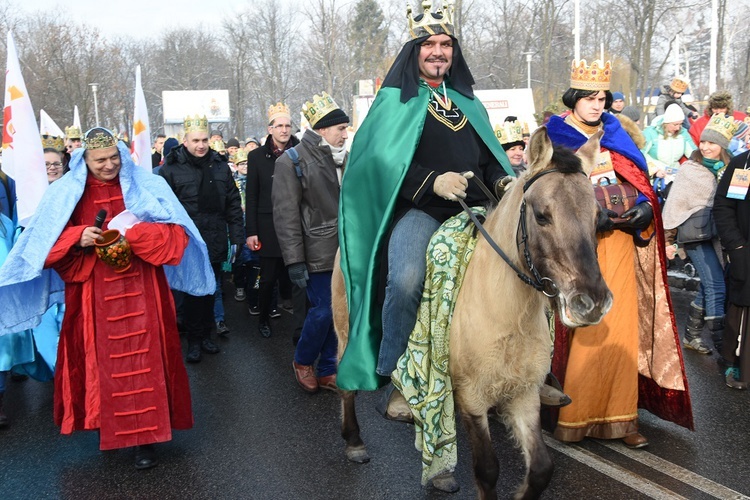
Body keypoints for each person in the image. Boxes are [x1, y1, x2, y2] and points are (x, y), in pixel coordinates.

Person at [336, 3, 515, 420]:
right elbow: (377, 162)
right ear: (415, 49)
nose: (438, 52)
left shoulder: (468, 101)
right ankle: (402, 377)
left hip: (476, 210)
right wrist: (431, 181)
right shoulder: (393, 100)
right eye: (429, 44)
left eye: (446, 44)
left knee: (528, 264)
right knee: (406, 278)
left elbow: (488, 156)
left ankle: (530, 372)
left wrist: (504, 181)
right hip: (422, 212)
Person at [0, 127, 214, 468]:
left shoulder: (148, 186)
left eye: (114, 157)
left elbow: (176, 238)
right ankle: (111, 428)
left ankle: (146, 440)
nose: (109, 165)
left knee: (145, 364)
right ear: (83, 161)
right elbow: (41, 245)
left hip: (144, 290)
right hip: (93, 294)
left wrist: (136, 233)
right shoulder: (64, 195)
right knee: (102, 365)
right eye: (100, 160)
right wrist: (77, 236)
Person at [546, 59, 693, 448]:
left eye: (602, 98)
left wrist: (646, 206)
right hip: (577, 248)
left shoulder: (617, 134)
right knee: (585, 326)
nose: (597, 105)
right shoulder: (553, 136)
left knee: (623, 327)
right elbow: (544, 196)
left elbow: (639, 180)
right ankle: (574, 415)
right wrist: (585, 218)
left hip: (622, 242)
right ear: (573, 99)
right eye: (589, 98)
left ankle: (622, 418)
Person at [272, 93, 348, 393]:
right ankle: (303, 361)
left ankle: (328, 368)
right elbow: (286, 216)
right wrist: (294, 261)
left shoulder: (345, 156)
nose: (345, 134)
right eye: (340, 128)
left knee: (340, 310)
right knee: (325, 310)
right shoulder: (291, 161)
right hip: (316, 252)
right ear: (322, 130)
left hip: (347, 250)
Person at [160, 116, 244, 362]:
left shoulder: (219, 166)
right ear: (185, 141)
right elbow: (164, 208)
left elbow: (232, 203)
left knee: (210, 290)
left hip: (216, 236)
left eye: (204, 140)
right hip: (187, 241)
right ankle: (193, 341)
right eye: (195, 140)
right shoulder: (171, 168)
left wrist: (236, 237)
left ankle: (206, 336)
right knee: (190, 293)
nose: (201, 145)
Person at [663, 114, 733, 356]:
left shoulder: (730, 169)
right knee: (716, 285)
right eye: (703, 142)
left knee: (710, 284)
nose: (705, 147)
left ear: (722, 146)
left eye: (711, 143)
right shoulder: (690, 169)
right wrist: (668, 240)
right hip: (695, 236)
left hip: (719, 236)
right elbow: (674, 205)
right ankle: (722, 343)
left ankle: (692, 336)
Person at [246, 103, 299, 338]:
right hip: (268, 226)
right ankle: (264, 318)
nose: (284, 130)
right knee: (267, 279)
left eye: (288, 125)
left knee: (298, 278)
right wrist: (251, 231)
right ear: (270, 129)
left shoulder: (301, 150)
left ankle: (300, 322)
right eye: (280, 125)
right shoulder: (256, 156)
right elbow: (252, 196)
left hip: (296, 223)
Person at [714, 129, 750, 389]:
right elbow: (725, 206)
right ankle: (735, 365)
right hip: (745, 251)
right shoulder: (742, 166)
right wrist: (736, 247)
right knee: (741, 307)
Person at [641, 103, 696, 184]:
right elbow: (641, 155)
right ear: (666, 122)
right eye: (675, 124)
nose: (678, 128)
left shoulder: (683, 133)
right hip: (655, 177)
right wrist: (654, 171)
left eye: (680, 124)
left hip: (675, 176)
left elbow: (693, 153)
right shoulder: (650, 133)